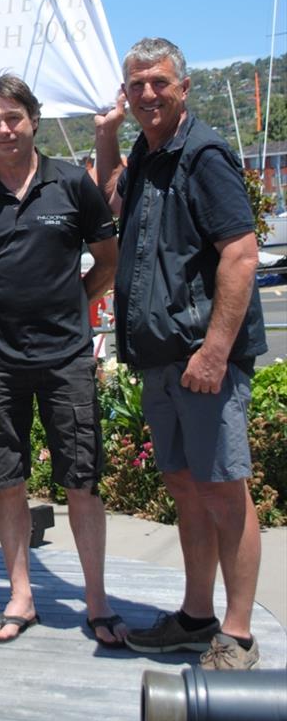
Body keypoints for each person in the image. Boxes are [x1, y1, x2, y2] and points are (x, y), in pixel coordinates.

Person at [94, 37, 267, 670]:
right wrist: (108, 135)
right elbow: (111, 198)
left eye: (158, 83)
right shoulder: (146, 151)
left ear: (183, 87)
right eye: (135, 85)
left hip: (202, 360)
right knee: (187, 489)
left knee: (224, 492)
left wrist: (216, 351)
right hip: (161, 357)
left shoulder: (204, 154)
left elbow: (241, 252)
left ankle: (238, 633)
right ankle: (197, 617)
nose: (146, 94)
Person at [0, 72, 127, 648]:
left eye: (13, 119)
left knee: (82, 480)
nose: (4, 129)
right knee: (6, 481)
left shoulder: (73, 184)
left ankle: (96, 601)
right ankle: (21, 595)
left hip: (66, 357)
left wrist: (74, 301)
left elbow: (107, 259)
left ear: (33, 120)